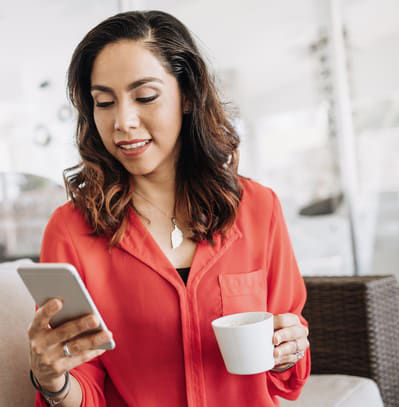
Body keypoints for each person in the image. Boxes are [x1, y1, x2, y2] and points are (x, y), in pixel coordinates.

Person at [26, 10, 310, 407]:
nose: (122, 121)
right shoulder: (71, 230)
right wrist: (52, 379)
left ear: (188, 96)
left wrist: (289, 350)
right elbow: (83, 389)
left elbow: (287, 382)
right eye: (104, 102)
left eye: (145, 97)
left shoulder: (258, 208)